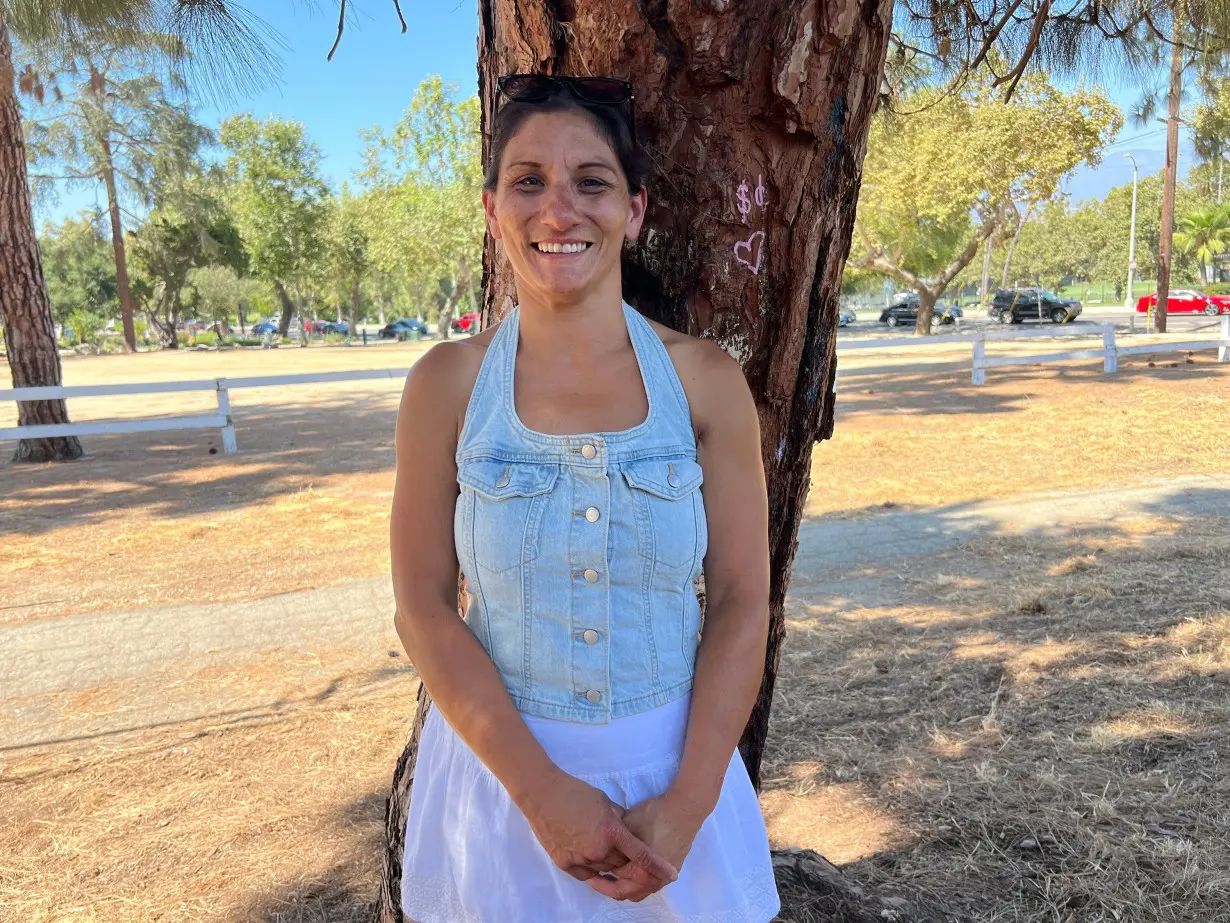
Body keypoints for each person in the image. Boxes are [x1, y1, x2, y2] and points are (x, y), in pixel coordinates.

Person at [389, 73, 781, 923]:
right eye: (528, 181)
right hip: (500, 793)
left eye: (590, 181)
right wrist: (541, 794)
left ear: (635, 209)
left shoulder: (705, 382)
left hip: (672, 784)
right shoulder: (446, 386)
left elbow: (745, 599)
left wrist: (688, 804)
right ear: (493, 207)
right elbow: (422, 607)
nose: (558, 210)